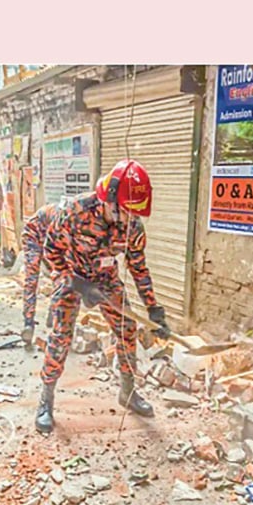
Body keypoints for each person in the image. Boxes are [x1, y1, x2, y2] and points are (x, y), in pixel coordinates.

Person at [34, 160, 171, 434]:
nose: (130, 220)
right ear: (109, 200)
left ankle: (128, 393)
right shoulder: (75, 212)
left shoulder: (133, 226)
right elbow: (49, 251)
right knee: (61, 337)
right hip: (72, 278)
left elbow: (138, 268)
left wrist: (153, 309)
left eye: (135, 214)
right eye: (125, 212)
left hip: (106, 281)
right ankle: (46, 400)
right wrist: (73, 281)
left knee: (127, 328)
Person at [19, 200, 65, 351]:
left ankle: (55, 318)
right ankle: (28, 322)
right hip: (34, 235)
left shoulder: (80, 226)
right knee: (32, 279)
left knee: (62, 278)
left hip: (51, 241)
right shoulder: (65, 219)